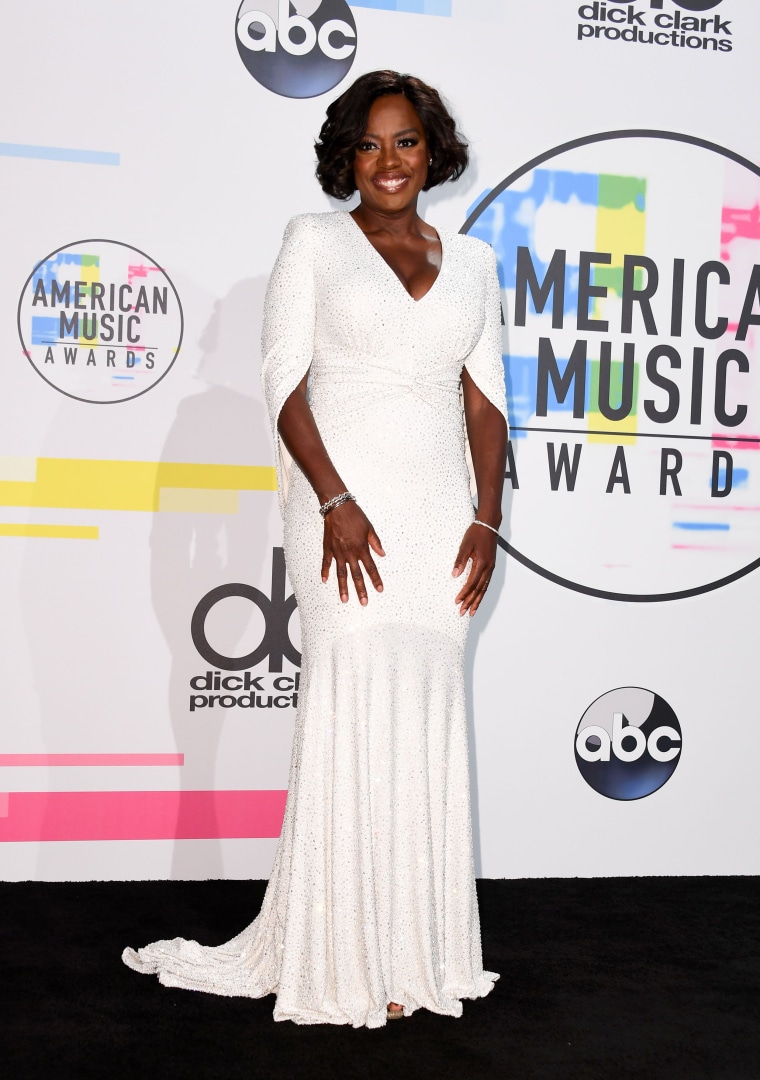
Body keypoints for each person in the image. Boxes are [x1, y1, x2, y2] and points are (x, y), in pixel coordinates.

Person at [123, 69, 508, 1028]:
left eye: (407, 142)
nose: (389, 161)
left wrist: (488, 518)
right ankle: (337, 949)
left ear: (433, 152)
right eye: (370, 144)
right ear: (347, 155)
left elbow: (485, 402)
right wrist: (332, 498)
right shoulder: (314, 243)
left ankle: (410, 951)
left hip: (440, 517)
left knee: (424, 714)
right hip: (339, 507)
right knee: (348, 711)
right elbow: (283, 381)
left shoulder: (474, 263)